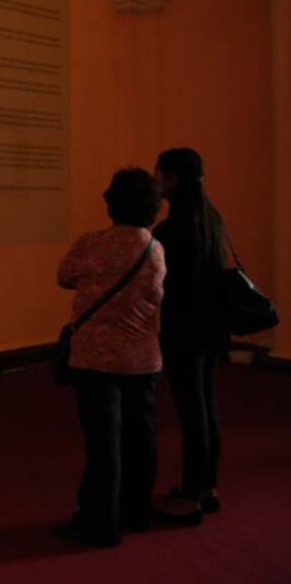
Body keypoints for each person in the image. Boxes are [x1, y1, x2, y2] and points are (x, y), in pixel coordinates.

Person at [55, 168, 166, 547]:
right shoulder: (154, 247)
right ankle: (136, 510)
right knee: (140, 436)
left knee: (104, 443)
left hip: (95, 358)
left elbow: (64, 276)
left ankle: (100, 523)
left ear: (110, 203)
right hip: (142, 357)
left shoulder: (91, 243)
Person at [152, 148, 229, 523]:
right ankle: (207, 486)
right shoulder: (211, 218)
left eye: (159, 174)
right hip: (211, 325)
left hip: (183, 327)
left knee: (191, 410)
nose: (156, 181)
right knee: (206, 406)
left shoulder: (171, 229)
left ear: (173, 179)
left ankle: (190, 492)